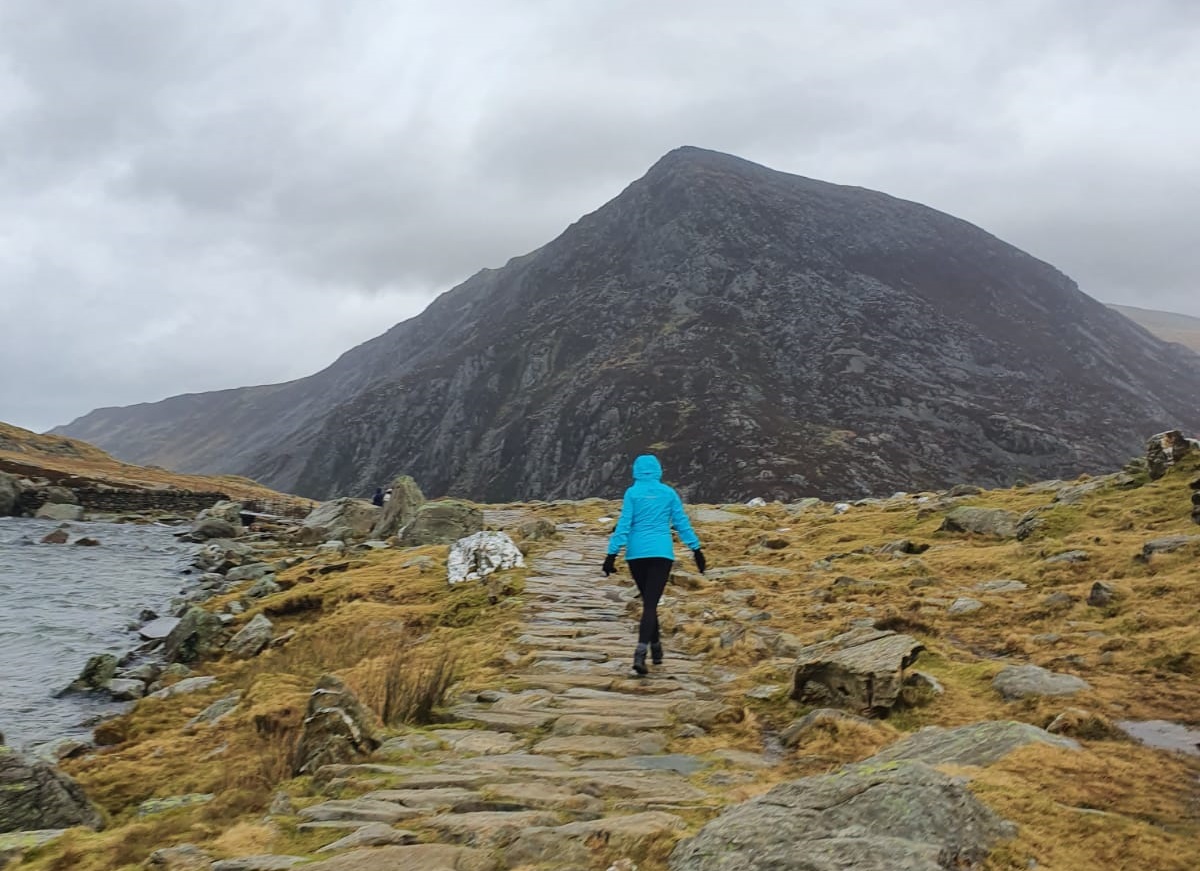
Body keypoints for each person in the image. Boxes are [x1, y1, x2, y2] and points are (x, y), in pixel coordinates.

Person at [603, 454, 706, 675]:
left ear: (636, 471)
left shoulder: (632, 493)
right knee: (651, 604)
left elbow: (624, 524)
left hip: (636, 554)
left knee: (649, 603)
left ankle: (654, 649)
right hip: (661, 553)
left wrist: (611, 554)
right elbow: (681, 523)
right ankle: (643, 651)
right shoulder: (668, 493)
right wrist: (696, 549)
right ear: (658, 470)